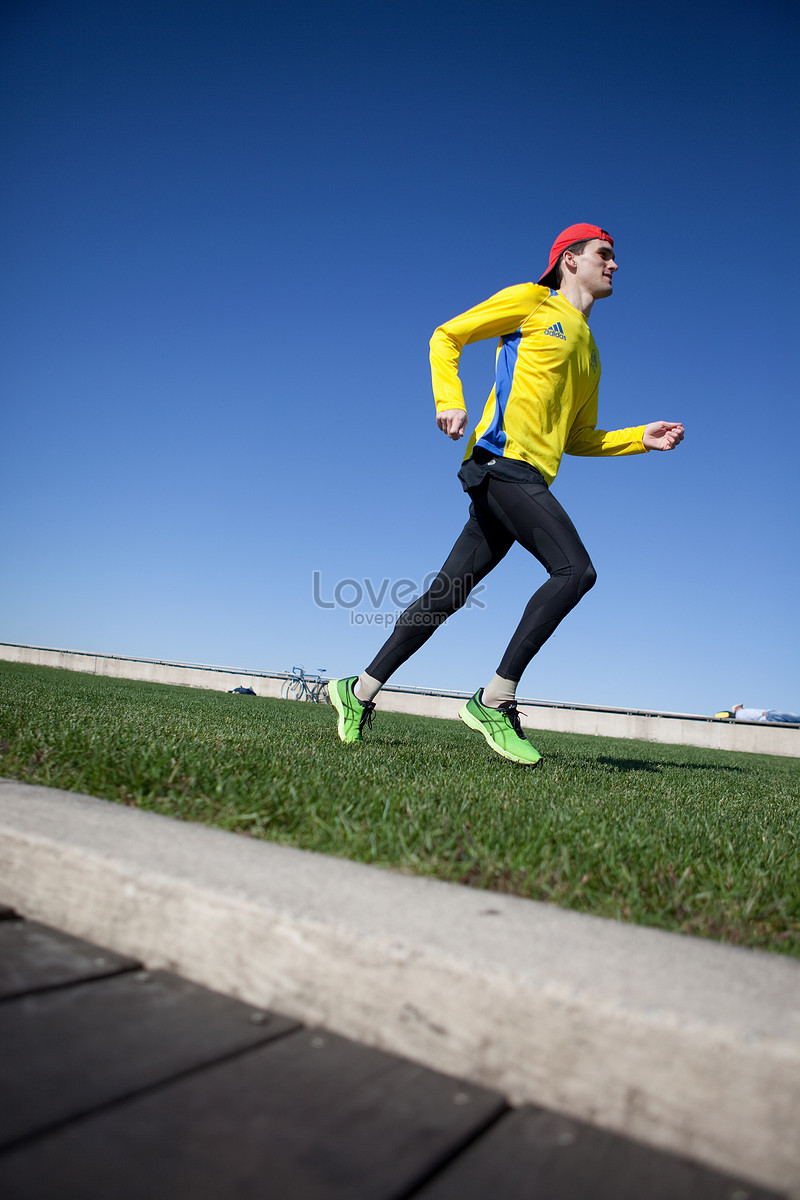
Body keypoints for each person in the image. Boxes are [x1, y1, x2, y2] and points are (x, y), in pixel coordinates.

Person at [328, 223, 685, 766]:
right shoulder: (530, 302)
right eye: (604, 254)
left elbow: (578, 437)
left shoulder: (589, 349)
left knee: (444, 595)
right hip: (500, 463)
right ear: (570, 260)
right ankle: (495, 699)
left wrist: (641, 437)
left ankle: (358, 692)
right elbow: (445, 336)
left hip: (528, 479)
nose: (614, 265)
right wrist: (449, 398)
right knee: (575, 572)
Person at [727, 705, 800, 724]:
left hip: (765, 719)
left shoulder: (739, 716)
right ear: (736, 708)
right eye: (740, 706)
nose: (742, 706)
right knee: (791, 716)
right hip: (767, 715)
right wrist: (763, 713)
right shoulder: (741, 712)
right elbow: (752, 714)